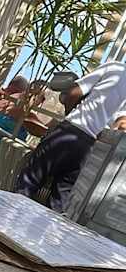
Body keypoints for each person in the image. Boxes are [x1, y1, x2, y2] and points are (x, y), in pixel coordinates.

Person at [15, 60, 126, 211]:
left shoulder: (114, 67)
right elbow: (120, 124)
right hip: (88, 147)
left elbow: (73, 93)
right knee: (60, 200)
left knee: (28, 182)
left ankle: (7, 219)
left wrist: (69, 113)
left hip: (69, 130)